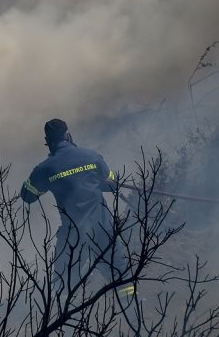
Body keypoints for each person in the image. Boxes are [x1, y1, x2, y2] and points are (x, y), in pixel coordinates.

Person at [20, 118, 134, 300]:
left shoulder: (45, 169)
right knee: (121, 276)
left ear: (48, 141)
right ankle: (131, 306)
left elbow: (28, 196)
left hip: (73, 235)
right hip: (102, 229)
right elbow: (112, 184)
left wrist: (44, 180)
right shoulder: (92, 156)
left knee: (64, 282)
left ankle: (70, 314)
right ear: (68, 135)